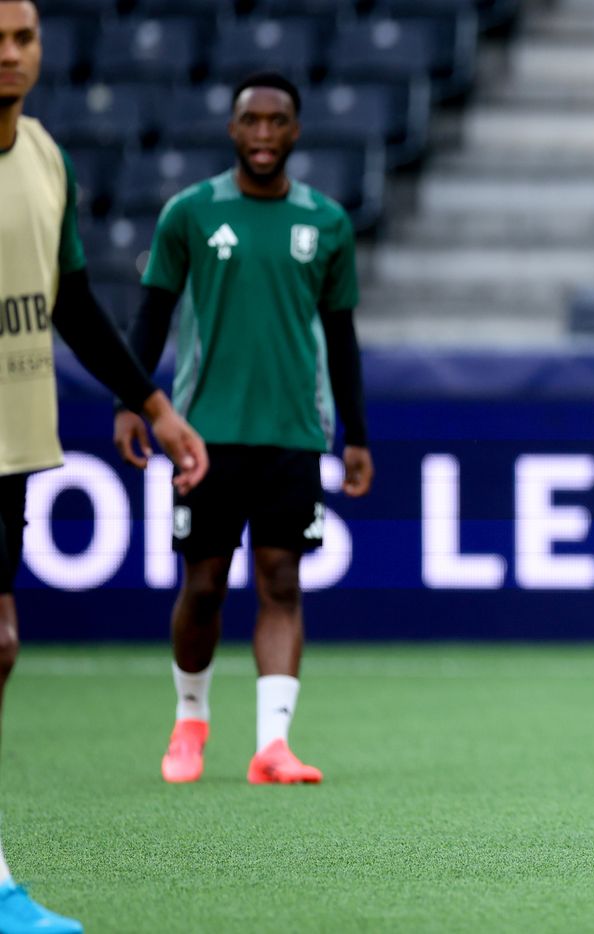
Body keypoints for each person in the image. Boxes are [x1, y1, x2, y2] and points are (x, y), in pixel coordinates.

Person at [1, 2, 209, 928]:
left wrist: (155, 405)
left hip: (12, 452)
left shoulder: (45, 157)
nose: (10, 54)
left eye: (23, 37)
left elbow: (72, 303)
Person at [113, 71, 372, 787]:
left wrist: (357, 433)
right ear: (232, 129)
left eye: (277, 121)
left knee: (281, 579)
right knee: (203, 585)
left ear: (296, 130)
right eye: (250, 121)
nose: (263, 134)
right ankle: (190, 721)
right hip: (206, 431)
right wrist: (133, 400)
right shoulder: (189, 214)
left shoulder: (326, 222)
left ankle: (272, 746)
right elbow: (152, 315)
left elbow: (342, 335)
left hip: (294, 430)